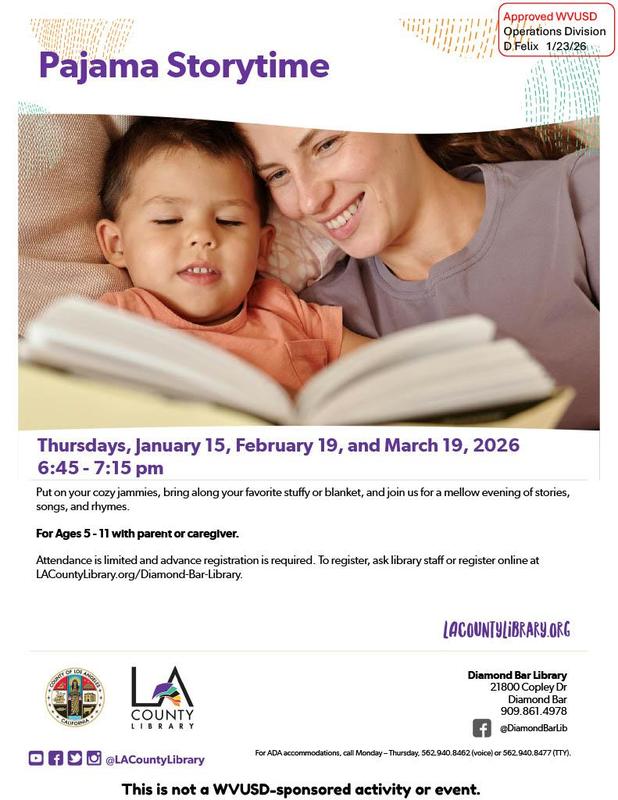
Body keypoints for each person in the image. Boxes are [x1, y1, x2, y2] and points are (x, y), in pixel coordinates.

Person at [240, 125, 599, 429]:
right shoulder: (319, 319)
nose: (308, 200)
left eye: (326, 145)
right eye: (278, 174)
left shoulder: (581, 194)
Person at [95, 118, 368, 396]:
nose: (202, 236)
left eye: (229, 221)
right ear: (117, 244)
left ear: (262, 248)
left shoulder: (285, 310)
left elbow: (386, 366)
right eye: (169, 220)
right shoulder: (114, 321)